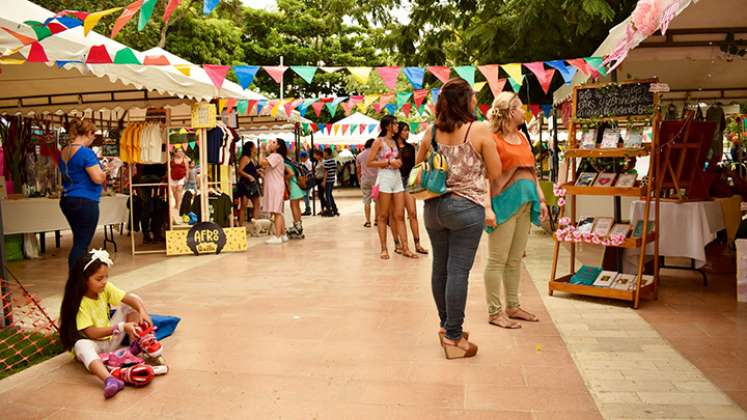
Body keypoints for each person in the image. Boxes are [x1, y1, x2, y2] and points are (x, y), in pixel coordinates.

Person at [416, 78, 501, 360]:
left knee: (440, 269)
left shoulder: (431, 132)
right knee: (458, 272)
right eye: (473, 96)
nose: (476, 101)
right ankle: (453, 337)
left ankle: (446, 327)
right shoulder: (478, 129)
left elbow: (418, 167)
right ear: (465, 100)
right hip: (466, 209)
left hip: (433, 209)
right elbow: (496, 171)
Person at [58, 250, 162, 399]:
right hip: (95, 346)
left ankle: (136, 346)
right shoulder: (78, 302)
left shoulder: (105, 288)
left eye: (106, 276)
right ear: (84, 280)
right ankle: (110, 379)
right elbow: (91, 333)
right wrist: (121, 327)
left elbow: (131, 299)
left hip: (110, 340)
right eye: (99, 278)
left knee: (132, 302)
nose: (104, 281)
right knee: (81, 345)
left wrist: (142, 311)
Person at [484, 92, 549, 328]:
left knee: (515, 259)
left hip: (525, 203)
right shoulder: (492, 139)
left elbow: (532, 172)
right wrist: (487, 208)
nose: (525, 112)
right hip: (502, 204)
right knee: (497, 260)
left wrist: (541, 200)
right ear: (511, 112)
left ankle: (512, 306)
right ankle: (494, 312)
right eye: (521, 108)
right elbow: (485, 176)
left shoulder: (522, 137)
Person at [59, 118, 106, 270]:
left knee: (79, 239)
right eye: (94, 135)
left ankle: (81, 276)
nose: (93, 139)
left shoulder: (65, 151)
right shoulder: (86, 153)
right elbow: (97, 178)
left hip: (68, 198)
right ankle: (76, 279)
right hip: (85, 200)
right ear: (88, 133)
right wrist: (105, 173)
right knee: (81, 243)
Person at [368, 115, 417, 260]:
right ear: (388, 126)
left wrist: (399, 162)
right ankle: (384, 248)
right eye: (395, 124)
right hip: (384, 178)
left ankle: (405, 248)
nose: (397, 126)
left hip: (397, 178)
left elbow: (399, 158)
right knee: (383, 216)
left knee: (400, 215)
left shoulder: (395, 141)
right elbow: (369, 162)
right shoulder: (379, 142)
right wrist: (389, 162)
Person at [394, 122, 428, 255]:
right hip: (395, 182)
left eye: (408, 130)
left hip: (408, 181)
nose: (407, 133)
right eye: (404, 130)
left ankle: (418, 244)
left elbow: (414, 166)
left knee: (412, 213)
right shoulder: (392, 146)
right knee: (399, 215)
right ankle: (402, 245)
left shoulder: (410, 147)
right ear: (398, 132)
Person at [260, 139, 292, 244]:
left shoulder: (275, 156)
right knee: (277, 211)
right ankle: (283, 234)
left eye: (274, 142)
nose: (270, 143)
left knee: (276, 212)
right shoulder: (276, 157)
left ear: (278, 146)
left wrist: (262, 151)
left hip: (275, 187)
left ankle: (277, 236)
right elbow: (267, 168)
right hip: (275, 186)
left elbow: (262, 162)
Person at [237, 141, 261, 225]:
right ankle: (241, 226)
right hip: (245, 184)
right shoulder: (245, 158)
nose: (256, 148)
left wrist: (257, 171)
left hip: (252, 184)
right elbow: (239, 171)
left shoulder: (252, 158)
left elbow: (250, 170)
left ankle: (256, 224)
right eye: (254, 146)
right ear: (251, 148)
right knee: (244, 205)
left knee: (257, 204)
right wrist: (249, 176)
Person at [356, 139, 378, 228]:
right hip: (376, 181)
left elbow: (358, 170)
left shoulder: (359, 156)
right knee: (377, 201)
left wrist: (359, 180)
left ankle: (368, 221)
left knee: (366, 201)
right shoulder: (377, 154)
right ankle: (377, 220)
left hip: (365, 180)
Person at [285, 149, 306, 239]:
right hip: (297, 186)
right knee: (296, 206)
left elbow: (291, 174)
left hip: (293, 187)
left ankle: (297, 227)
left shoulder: (285, 163)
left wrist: (284, 177)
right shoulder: (291, 162)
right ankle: (299, 226)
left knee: (293, 206)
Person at [169, 148, 189, 223]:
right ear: (175, 152)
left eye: (181, 151)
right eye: (179, 151)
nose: (180, 153)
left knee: (179, 191)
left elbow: (187, 169)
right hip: (172, 178)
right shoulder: (172, 159)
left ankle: (177, 208)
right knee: (175, 193)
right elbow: (169, 168)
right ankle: (177, 205)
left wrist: (187, 178)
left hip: (181, 178)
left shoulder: (185, 160)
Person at [322, 148, 339, 217]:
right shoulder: (333, 161)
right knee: (330, 194)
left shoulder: (326, 162)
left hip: (328, 180)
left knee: (327, 195)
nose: (323, 154)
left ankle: (330, 210)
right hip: (332, 179)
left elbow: (326, 172)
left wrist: (324, 181)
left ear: (326, 153)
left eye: (324, 152)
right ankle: (335, 209)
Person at [312, 149, 328, 215]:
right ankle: (323, 209)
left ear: (319, 155)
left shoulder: (323, 162)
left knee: (321, 195)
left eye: (315, 154)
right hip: (317, 179)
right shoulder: (317, 162)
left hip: (321, 179)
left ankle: (327, 207)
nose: (314, 156)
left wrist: (324, 181)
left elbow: (325, 172)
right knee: (320, 195)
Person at [300, 150, 313, 215]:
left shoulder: (308, 163)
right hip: (306, 180)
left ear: (304, 157)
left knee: (306, 196)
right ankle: (307, 209)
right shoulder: (304, 163)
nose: (301, 159)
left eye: (301, 158)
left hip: (308, 181)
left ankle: (308, 210)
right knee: (305, 196)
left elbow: (310, 173)